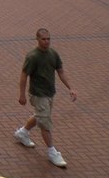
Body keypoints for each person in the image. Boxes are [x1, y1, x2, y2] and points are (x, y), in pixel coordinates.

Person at [14, 28, 77, 168]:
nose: (46, 41)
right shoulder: (33, 57)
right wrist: (22, 95)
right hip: (38, 94)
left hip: (49, 93)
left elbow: (60, 71)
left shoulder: (53, 54)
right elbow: (24, 76)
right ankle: (52, 152)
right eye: (43, 39)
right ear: (37, 39)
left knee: (40, 116)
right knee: (45, 123)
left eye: (48, 38)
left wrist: (70, 88)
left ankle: (22, 133)